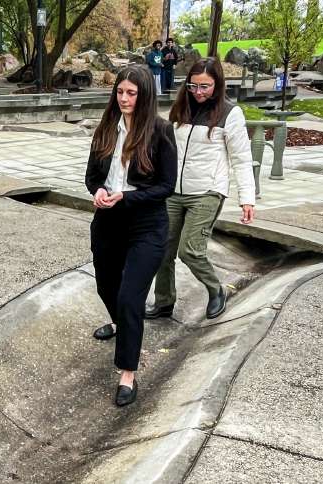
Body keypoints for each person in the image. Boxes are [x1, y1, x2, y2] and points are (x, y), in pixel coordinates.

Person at [85, 64, 177, 407]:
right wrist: (97, 191)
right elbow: (92, 176)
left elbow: (166, 186)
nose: (124, 99)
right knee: (106, 286)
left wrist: (127, 196)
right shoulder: (106, 129)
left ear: (144, 95)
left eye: (131, 93)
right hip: (108, 220)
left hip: (146, 224)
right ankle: (124, 326)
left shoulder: (160, 131)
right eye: (120, 92)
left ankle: (127, 372)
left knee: (129, 296)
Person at [144, 57, 257, 321]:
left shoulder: (231, 113)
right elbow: (168, 149)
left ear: (217, 84)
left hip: (207, 191)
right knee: (162, 249)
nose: (198, 92)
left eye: (205, 87)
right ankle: (164, 302)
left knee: (190, 250)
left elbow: (241, 158)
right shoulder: (181, 108)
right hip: (174, 191)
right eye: (193, 86)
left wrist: (247, 199)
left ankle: (216, 289)